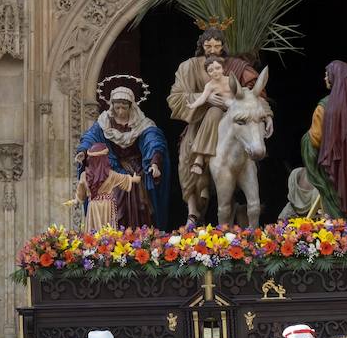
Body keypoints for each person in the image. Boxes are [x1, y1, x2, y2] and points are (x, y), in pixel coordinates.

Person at [168, 27, 263, 221]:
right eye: (208, 45)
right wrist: (206, 99)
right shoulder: (189, 66)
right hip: (199, 119)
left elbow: (255, 94)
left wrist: (266, 114)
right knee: (187, 150)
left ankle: (244, 201)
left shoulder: (236, 66)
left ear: (223, 47)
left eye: (217, 45)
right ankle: (194, 202)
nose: (212, 49)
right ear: (201, 46)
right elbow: (176, 98)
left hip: (234, 118)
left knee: (252, 139)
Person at [74, 79, 169, 227]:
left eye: (124, 108)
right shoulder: (104, 123)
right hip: (111, 168)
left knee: (140, 203)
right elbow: (90, 138)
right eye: (117, 107)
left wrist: (154, 162)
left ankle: (139, 235)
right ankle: (112, 238)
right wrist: (83, 151)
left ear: (131, 107)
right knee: (115, 202)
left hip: (135, 169)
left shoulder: (142, 124)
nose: (120, 111)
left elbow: (153, 141)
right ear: (112, 106)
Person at [300, 60, 347, 219]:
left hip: (333, 171)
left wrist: (305, 140)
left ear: (335, 78)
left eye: (327, 75)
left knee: (336, 214)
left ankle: (341, 235)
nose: (325, 79)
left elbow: (315, 139)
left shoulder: (324, 107)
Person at [74, 143, 142, 233]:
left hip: (93, 207)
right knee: (107, 233)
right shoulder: (111, 175)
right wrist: (136, 178)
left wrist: (77, 200)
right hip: (107, 206)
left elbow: (81, 193)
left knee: (93, 233)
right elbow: (126, 179)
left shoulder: (84, 175)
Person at [186, 56, 236, 177]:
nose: (215, 72)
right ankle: (200, 157)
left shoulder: (231, 80)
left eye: (218, 68)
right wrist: (192, 105)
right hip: (219, 111)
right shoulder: (210, 85)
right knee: (213, 112)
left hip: (233, 110)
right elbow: (203, 98)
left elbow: (239, 94)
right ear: (208, 73)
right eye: (211, 70)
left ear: (223, 69)